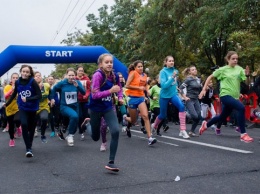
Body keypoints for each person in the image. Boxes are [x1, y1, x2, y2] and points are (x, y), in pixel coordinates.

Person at [198, 51, 254, 143]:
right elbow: (209, 77)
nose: (235, 60)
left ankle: (206, 125)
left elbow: (246, 83)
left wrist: (248, 76)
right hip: (225, 95)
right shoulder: (223, 69)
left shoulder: (239, 69)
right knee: (241, 108)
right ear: (228, 59)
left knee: (222, 117)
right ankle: (243, 134)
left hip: (234, 97)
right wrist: (204, 89)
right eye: (233, 59)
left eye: (236, 59)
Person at [85, 53, 123, 172]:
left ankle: (111, 162)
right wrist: (110, 91)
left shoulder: (115, 76)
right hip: (95, 109)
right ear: (100, 64)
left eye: (111, 62)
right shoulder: (97, 75)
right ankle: (87, 125)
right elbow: (95, 94)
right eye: (107, 62)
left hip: (107, 107)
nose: (110, 64)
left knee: (116, 131)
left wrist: (120, 97)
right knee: (95, 137)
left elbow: (119, 88)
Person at [4, 64, 42, 157]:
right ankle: (28, 149)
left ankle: (30, 144)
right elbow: (14, 94)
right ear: (21, 72)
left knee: (31, 128)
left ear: (29, 74)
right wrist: (7, 104)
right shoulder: (17, 82)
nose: (25, 73)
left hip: (32, 108)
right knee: (24, 124)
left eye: (27, 72)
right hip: (22, 107)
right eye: (23, 71)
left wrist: (28, 99)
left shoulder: (33, 82)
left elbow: (39, 95)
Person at [151, 56, 190, 139]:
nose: (172, 62)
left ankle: (182, 130)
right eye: (169, 61)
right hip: (164, 96)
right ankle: (154, 126)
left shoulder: (175, 71)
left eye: (173, 61)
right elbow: (164, 86)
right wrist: (172, 77)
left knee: (182, 106)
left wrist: (179, 92)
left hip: (173, 94)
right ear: (166, 62)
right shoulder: (163, 72)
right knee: (162, 115)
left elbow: (175, 84)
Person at [124, 61, 157, 145]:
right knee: (134, 120)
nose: (140, 68)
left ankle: (150, 138)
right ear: (135, 67)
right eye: (138, 66)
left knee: (145, 116)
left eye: (141, 66)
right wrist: (138, 88)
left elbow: (145, 85)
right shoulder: (133, 73)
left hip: (140, 98)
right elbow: (127, 85)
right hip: (132, 98)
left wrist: (147, 91)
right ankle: (125, 119)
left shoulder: (145, 75)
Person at [50, 68, 85, 146]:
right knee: (74, 116)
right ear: (66, 75)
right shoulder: (62, 83)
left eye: (73, 75)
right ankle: (70, 135)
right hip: (64, 106)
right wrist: (52, 98)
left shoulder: (77, 82)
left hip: (75, 106)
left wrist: (78, 86)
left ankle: (69, 133)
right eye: (69, 75)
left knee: (76, 122)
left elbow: (83, 92)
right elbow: (53, 89)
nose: (71, 77)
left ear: (75, 75)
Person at [179, 65, 202, 137]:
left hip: (196, 99)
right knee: (194, 116)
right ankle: (184, 115)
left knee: (198, 116)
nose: (195, 70)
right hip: (189, 99)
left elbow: (200, 89)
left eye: (195, 69)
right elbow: (180, 88)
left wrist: (201, 93)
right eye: (193, 70)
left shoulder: (198, 79)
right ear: (190, 72)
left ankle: (192, 131)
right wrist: (185, 97)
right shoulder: (188, 79)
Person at [4, 73, 22, 147]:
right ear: (11, 79)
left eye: (17, 78)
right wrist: (12, 89)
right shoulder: (7, 87)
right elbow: (5, 96)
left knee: (17, 119)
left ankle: (18, 127)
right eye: (13, 77)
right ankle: (11, 139)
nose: (15, 79)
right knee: (11, 126)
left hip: (17, 108)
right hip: (8, 109)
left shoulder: (21, 87)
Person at [75, 65, 91, 140]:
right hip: (77, 100)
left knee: (86, 115)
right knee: (79, 116)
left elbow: (88, 89)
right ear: (77, 71)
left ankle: (84, 128)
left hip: (85, 100)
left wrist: (86, 95)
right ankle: (81, 131)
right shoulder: (74, 79)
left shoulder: (87, 79)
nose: (81, 72)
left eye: (82, 70)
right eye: (79, 70)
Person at [34, 71, 50, 143]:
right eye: (36, 76)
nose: (38, 77)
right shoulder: (31, 86)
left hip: (44, 106)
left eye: (39, 75)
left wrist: (51, 99)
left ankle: (43, 134)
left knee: (44, 118)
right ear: (33, 78)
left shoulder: (46, 85)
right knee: (32, 123)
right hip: (33, 107)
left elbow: (51, 92)